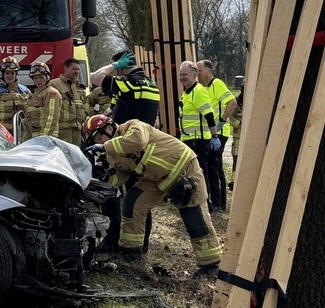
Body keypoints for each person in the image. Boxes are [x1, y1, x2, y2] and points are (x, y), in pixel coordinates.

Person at [84, 114, 222, 271]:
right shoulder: (113, 154)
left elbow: (137, 141)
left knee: (194, 215)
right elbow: (120, 176)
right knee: (133, 204)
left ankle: (210, 264)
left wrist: (104, 147)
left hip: (184, 169)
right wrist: (102, 180)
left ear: (108, 128)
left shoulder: (132, 125)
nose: (97, 143)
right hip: (156, 179)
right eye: (95, 142)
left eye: (98, 138)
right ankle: (131, 250)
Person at [196, 59, 239, 212]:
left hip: (219, 132)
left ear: (209, 70)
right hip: (208, 133)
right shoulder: (200, 88)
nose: (198, 74)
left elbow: (232, 102)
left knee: (215, 165)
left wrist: (221, 120)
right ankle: (213, 201)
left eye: (200, 70)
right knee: (209, 165)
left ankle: (220, 203)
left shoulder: (217, 84)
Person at [177, 61, 221, 206]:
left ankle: (205, 203)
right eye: (180, 74)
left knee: (200, 172)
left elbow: (209, 116)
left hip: (199, 140)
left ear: (195, 75)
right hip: (188, 139)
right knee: (191, 172)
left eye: (185, 74)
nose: (182, 77)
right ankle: (196, 200)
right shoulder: (187, 92)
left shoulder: (198, 91)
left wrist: (214, 136)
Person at [89, 50, 160, 125]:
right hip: (146, 132)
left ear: (121, 67)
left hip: (129, 133)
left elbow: (94, 77)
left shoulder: (128, 82)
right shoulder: (152, 83)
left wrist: (116, 64)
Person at [48, 57, 87, 145]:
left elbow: (85, 103)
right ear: (65, 68)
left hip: (78, 131)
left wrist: (85, 114)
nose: (77, 72)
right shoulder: (54, 84)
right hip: (63, 131)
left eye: (78, 69)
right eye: (74, 69)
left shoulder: (78, 87)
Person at [0, 56, 30, 126]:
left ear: (16, 74)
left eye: (12, 73)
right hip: (3, 134)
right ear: (3, 74)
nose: (9, 76)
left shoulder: (25, 91)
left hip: (22, 133)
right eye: (7, 73)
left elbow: (31, 113)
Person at [25, 61, 61, 138]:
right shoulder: (34, 94)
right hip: (34, 137)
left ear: (47, 77)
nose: (38, 80)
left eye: (41, 77)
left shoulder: (51, 93)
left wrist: (44, 137)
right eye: (35, 78)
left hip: (44, 138)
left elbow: (51, 117)